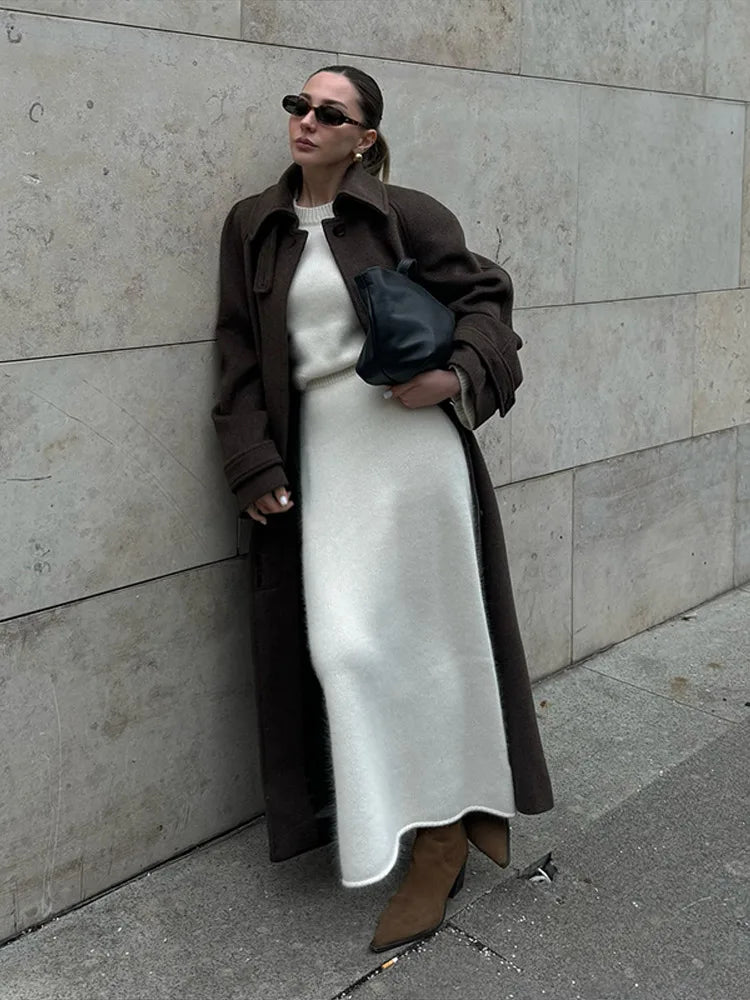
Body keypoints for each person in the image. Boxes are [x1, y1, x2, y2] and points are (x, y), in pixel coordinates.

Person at [211, 64, 553, 953]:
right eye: (299, 105)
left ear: (364, 137)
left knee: (436, 646)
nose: (307, 120)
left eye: (330, 113)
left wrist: (455, 376)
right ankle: (416, 816)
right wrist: (251, 461)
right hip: (324, 461)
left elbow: (488, 304)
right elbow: (237, 352)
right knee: (349, 651)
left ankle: (440, 838)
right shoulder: (252, 224)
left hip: (412, 459)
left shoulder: (408, 214)